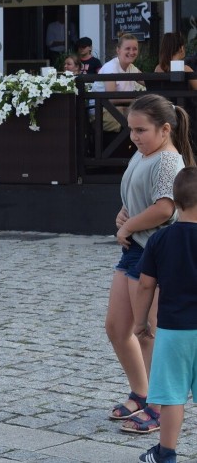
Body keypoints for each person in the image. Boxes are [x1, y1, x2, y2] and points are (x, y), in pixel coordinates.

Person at [106, 94, 195, 435]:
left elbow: (165, 208)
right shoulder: (144, 154)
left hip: (151, 251)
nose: (134, 137)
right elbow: (139, 198)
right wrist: (124, 213)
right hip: (133, 250)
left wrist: (129, 225)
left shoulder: (168, 161)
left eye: (141, 130)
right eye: (131, 129)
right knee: (117, 327)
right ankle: (141, 392)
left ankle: (157, 407)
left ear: (165, 129)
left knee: (147, 331)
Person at [133, 167, 197, 463]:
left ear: (176, 201)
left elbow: (146, 285)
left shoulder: (160, 240)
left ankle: (166, 454)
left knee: (172, 396)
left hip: (173, 331)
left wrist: (140, 321)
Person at [91, 33, 144, 132]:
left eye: (135, 49)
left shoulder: (132, 67)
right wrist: (136, 100)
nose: (131, 52)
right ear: (118, 50)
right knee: (136, 122)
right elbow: (111, 99)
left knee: (147, 118)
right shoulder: (110, 67)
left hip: (119, 110)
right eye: (127, 48)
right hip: (101, 112)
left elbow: (149, 82)